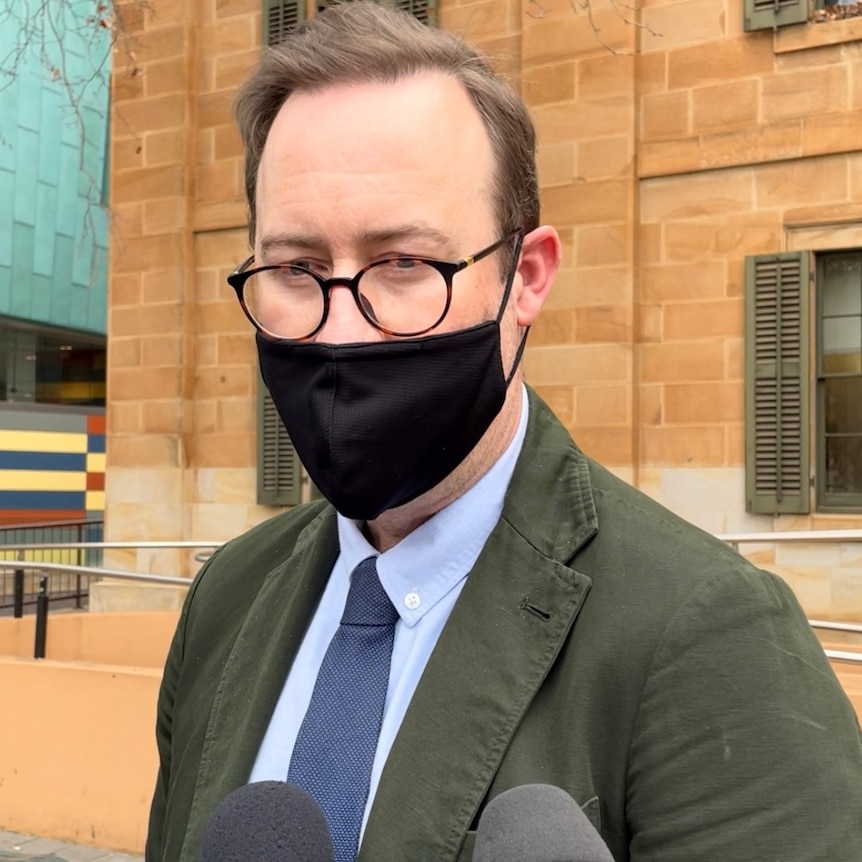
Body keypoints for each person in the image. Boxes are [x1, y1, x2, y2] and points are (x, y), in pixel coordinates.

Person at [145, 3, 862, 861]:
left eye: (405, 263)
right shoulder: (228, 595)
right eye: (296, 269)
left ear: (526, 277)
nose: (339, 331)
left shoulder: (709, 635)